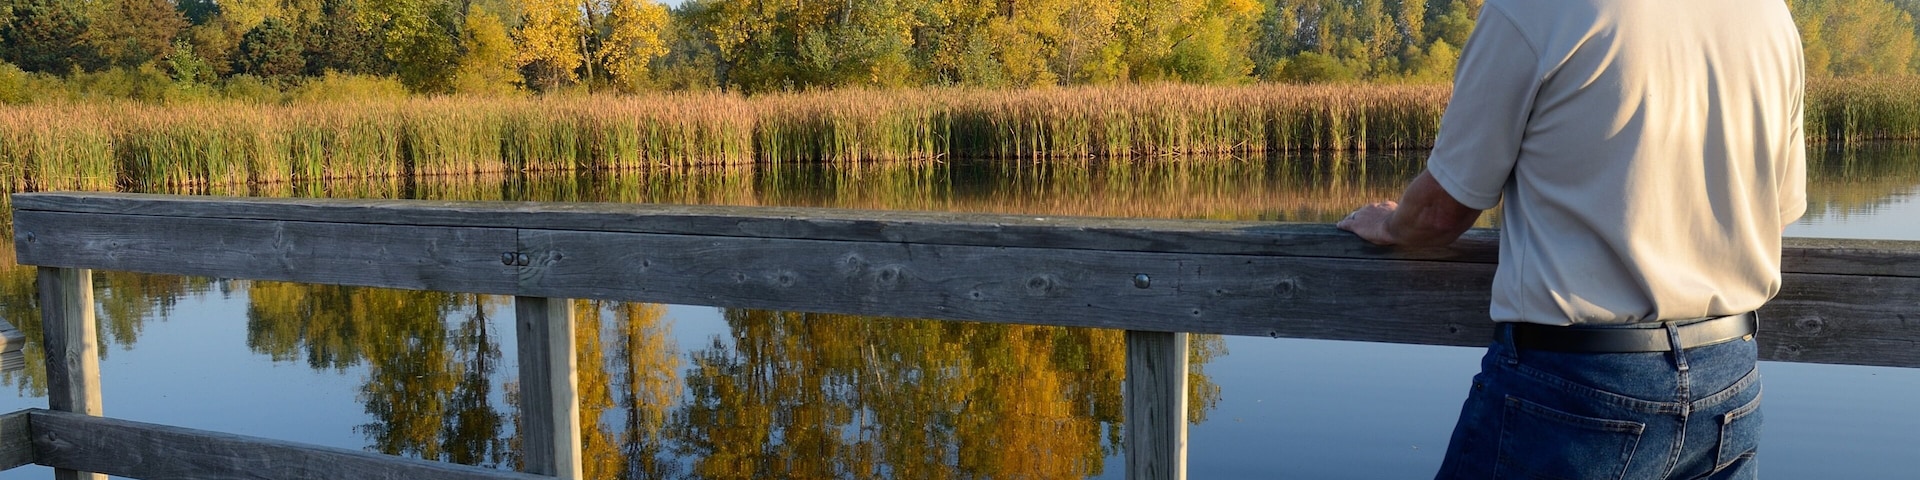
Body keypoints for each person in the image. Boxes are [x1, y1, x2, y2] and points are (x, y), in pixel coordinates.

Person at [1334, 0, 1806, 477]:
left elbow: (1441, 212)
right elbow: (1778, 212)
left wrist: (1390, 225)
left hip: (1576, 387)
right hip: (1729, 377)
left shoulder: (1534, 9)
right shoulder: (1767, 14)